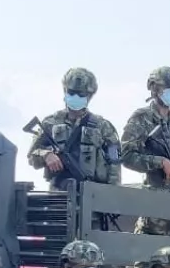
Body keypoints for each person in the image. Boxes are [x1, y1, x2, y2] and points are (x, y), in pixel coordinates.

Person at [122, 66, 170, 237]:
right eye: (168, 88)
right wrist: (161, 162)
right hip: (157, 202)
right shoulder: (142, 117)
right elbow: (126, 155)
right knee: (150, 249)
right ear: (155, 88)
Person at [27, 67, 122, 195]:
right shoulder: (50, 123)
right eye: (71, 92)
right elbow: (31, 157)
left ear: (89, 96)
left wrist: (112, 198)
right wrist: (46, 155)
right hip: (58, 196)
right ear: (65, 91)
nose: (75, 97)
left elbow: (115, 167)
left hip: (94, 196)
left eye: (81, 94)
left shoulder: (103, 127)